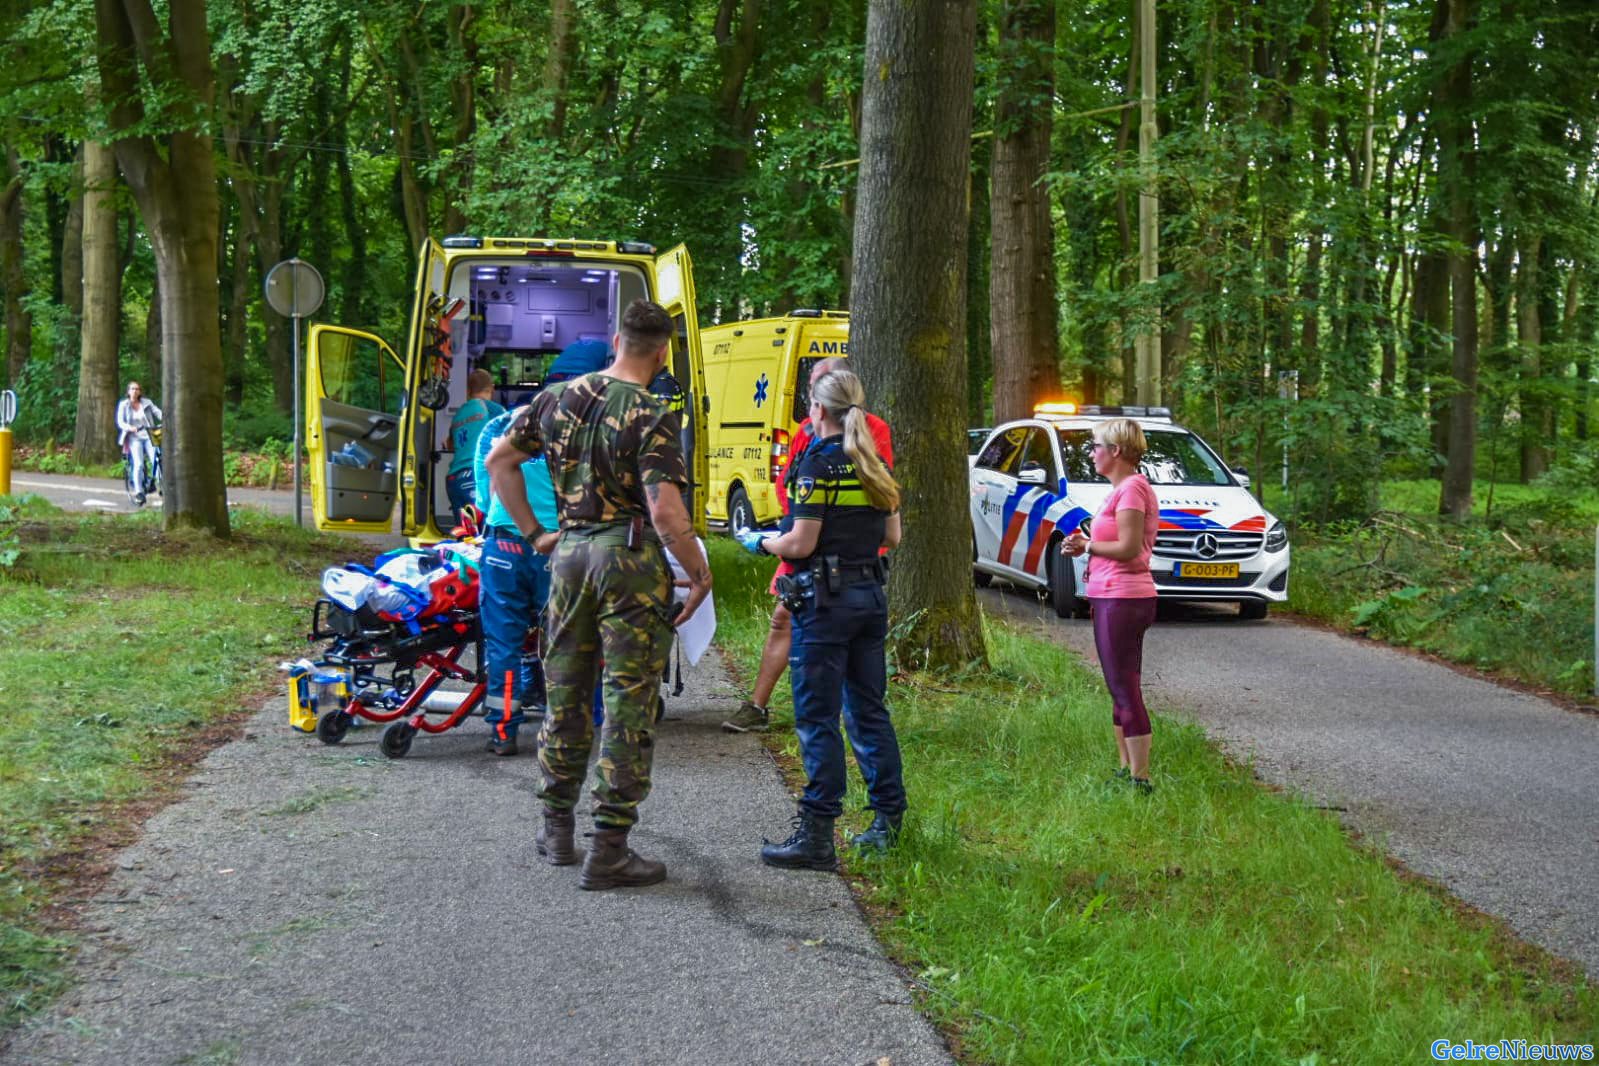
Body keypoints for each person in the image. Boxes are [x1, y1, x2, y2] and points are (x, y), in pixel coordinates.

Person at [485, 299, 711, 892]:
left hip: (568, 557)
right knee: (627, 699)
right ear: (662, 353)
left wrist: (535, 534)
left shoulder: (555, 399)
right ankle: (609, 847)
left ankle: (556, 829)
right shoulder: (652, 412)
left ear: (616, 341)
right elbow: (665, 512)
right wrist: (698, 573)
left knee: (564, 691)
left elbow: (499, 462)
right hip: (627, 562)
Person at [738, 368, 905, 870]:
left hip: (824, 604)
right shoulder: (874, 464)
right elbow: (892, 538)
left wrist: (760, 541)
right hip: (869, 597)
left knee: (817, 718)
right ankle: (887, 822)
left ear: (816, 410)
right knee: (869, 712)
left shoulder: (817, 464)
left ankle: (816, 836)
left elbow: (801, 542)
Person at [721, 357, 894, 734]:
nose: (810, 395)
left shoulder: (873, 430)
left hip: (841, 558)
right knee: (783, 619)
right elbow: (788, 481)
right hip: (804, 544)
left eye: (817, 387)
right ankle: (759, 705)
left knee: (821, 674)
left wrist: (789, 537)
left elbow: (879, 494)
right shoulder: (805, 432)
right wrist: (793, 526)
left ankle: (828, 714)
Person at [1061, 418, 1160, 795]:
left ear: (1115, 451)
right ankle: (1125, 769)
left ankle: (1140, 779)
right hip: (1111, 594)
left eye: (1096, 446)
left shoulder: (1132, 489)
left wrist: (1088, 546)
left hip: (1124, 596)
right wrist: (1084, 544)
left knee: (1125, 686)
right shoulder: (1121, 489)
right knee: (1118, 685)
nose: (1091, 453)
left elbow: (1130, 548)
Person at [472, 405, 560, 756]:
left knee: (503, 644)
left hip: (504, 547)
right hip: (553, 547)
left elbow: (483, 496)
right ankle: (561, 729)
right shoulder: (570, 436)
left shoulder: (501, 434)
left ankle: (503, 731)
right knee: (561, 642)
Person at [446, 370, 505, 527]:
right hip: (475, 477)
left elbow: (449, 445)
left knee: (466, 534)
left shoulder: (459, 413)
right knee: (483, 534)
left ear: (468, 390)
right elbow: (510, 441)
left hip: (454, 480)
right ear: (491, 388)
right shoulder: (495, 410)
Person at [116, 381, 163, 505]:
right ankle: (139, 492)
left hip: (150, 435)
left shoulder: (147, 403)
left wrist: (166, 420)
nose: (135, 391)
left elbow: (158, 412)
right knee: (139, 464)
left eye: (137, 389)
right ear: (128, 391)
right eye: (132, 389)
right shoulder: (124, 405)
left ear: (140, 391)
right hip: (134, 437)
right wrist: (130, 427)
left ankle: (161, 485)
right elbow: (120, 422)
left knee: (157, 460)